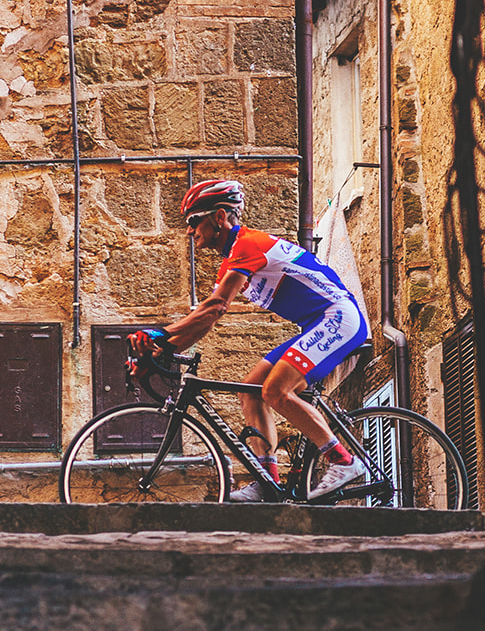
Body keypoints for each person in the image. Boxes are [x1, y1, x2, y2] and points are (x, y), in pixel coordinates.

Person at [131, 178, 369, 502]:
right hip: (317, 323)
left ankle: (343, 461)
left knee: (275, 390)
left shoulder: (247, 244)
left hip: (338, 317)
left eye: (193, 220)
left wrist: (161, 333)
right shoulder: (232, 259)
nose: (189, 230)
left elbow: (216, 306)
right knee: (251, 391)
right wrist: (160, 352)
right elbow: (205, 320)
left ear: (219, 217)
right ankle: (267, 482)